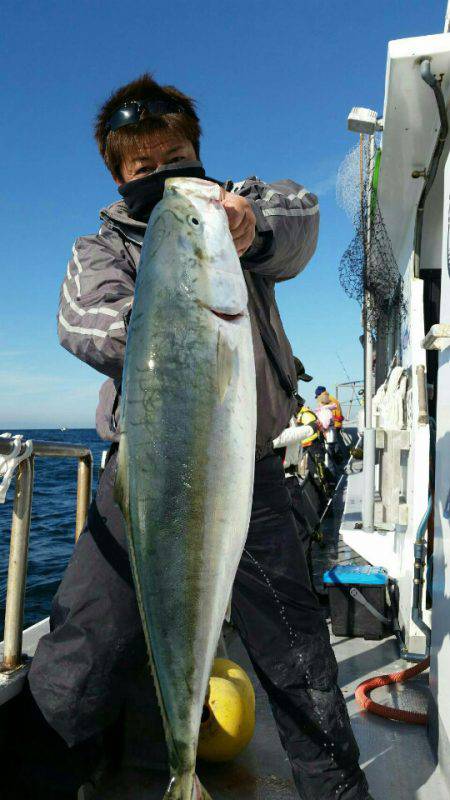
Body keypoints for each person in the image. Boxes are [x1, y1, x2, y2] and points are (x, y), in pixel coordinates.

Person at [14, 74, 372, 800]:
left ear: (197, 152)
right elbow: (82, 323)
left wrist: (245, 224)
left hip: (252, 475)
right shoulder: (101, 247)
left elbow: (297, 218)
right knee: (81, 644)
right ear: (118, 177)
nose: (161, 173)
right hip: (140, 477)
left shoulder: (234, 207)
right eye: (141, 167)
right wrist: (170, 316)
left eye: (172, 154)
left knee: (298, 657)